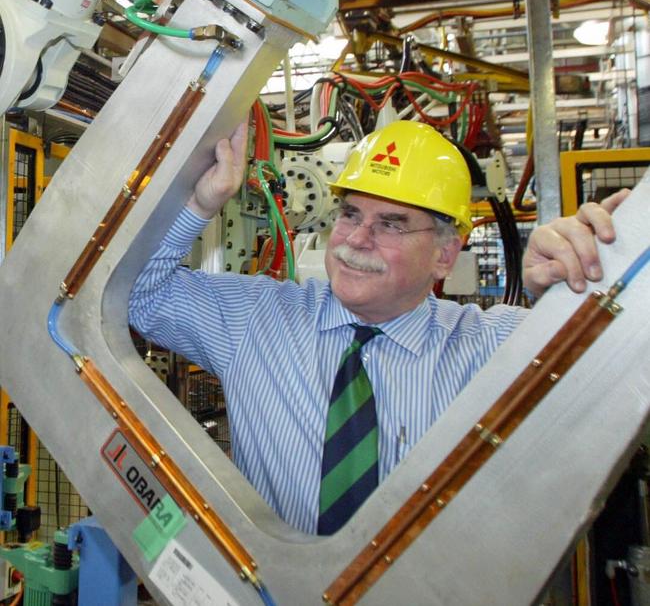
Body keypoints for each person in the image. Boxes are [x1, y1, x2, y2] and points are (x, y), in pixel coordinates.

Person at [128, 119, 628, 535]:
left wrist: (576, 293)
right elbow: (135, 296)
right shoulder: (256, 319)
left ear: (445, 254)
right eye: (350, 214)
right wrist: (198, 206)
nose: (356, 239)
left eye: (390, 223)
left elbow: (617, 376)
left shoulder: (490, 346)